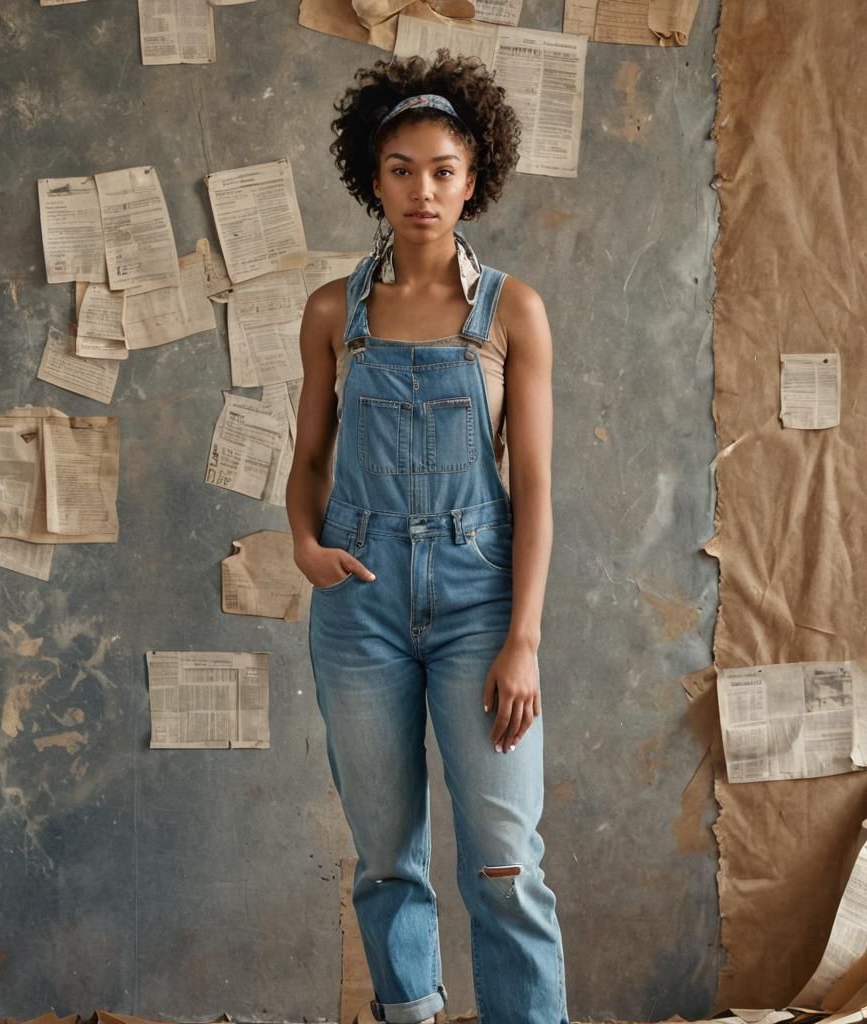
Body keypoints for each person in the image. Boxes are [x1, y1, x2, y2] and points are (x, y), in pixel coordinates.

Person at [285, 49, 568, 1024]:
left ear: (474, 178)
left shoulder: (512, 311)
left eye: (443, 169)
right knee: (385, 858)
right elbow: (309, 462)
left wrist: (520, 638)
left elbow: (533, 488)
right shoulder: (334, 312)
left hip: (477, 599)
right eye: (401, 168)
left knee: (503, 861)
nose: (422, 189)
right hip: (357, 604)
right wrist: (301, 542)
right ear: (371, 178)